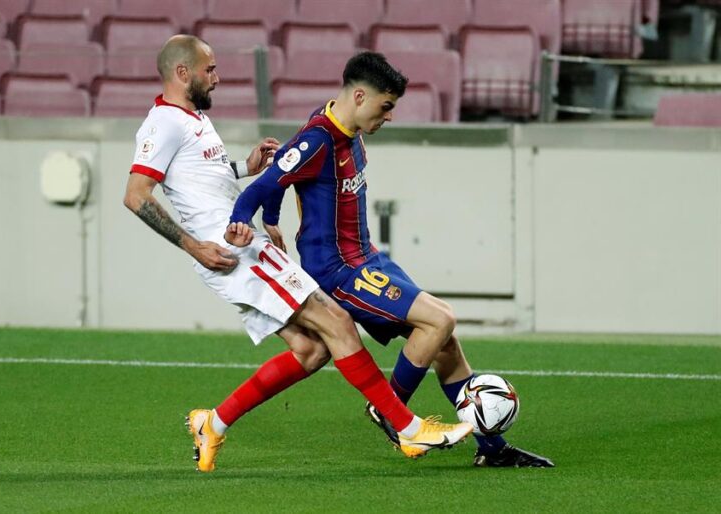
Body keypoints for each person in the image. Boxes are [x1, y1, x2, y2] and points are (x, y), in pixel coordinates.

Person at [123, 36, 473, 472]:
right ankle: (405, 427)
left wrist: (242, 169)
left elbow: (194, 181)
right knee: (338, 322)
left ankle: (212, 423)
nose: (217, 77)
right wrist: (193, 246)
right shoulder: (163, 122)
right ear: (182, 73)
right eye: (209, 70)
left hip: (241, 242)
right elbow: (137, 196)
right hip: (231, 248)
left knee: (312, 350)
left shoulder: (191, 119)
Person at [229, 51, 554, 468]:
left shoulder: (343, 131)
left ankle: (491, 450)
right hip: (340, 272)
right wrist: (247, 220)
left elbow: (279, 173)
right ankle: (390, 408)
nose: (389, 116)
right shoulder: (319, 139)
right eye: (386, 106)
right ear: (360, 97)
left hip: (368, 260)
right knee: (440, 320)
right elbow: (260, 187)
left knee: (443, 344)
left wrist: (273, 221)